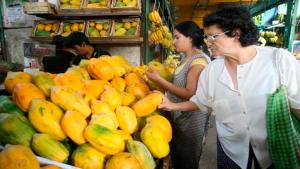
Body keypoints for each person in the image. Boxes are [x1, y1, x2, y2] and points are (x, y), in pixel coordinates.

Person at [158, 7, 300, 169]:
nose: (207, 42)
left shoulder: (278, 61)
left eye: (213, 36)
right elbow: (201, 101)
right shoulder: (212, 70)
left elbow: (297, 106)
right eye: (206, 36)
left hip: (274, 151)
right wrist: (172, 105)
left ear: (236, 34)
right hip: (231, 152)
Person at [146, 21, 211, 169]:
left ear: (190, 38)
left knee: (187, 161)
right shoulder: (186, 58)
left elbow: (190, 93)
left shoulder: (198, 61)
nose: (173, 41)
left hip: (191, 121)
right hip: (180, 116)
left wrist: (159, 80)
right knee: (178, 158)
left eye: (177, 37)